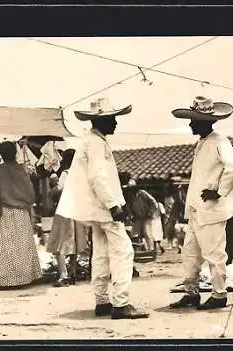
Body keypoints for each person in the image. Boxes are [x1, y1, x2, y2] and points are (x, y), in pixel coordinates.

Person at [55, 97, 149, 319]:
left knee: (101, 253)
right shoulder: (96, 143)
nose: (115, 123)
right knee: (124, 251)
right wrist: (113, 205)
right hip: (104, 208)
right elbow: (98, 177)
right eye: (112, 119)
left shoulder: (91, 141)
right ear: (103, 121)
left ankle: (102, 301)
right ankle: (121, 303)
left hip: (95, 209)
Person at [168, 96, 233, 310]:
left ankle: (219, 295)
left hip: (211, 209)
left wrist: (218, 191)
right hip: (196, 209)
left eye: (194, 120)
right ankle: (191, 293)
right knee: (190, 254)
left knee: (214, 253)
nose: (191, 124)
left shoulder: (220, 141)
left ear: (205, 122)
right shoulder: (203, 142)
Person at [0, 141, 42, 289]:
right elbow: (31, 194)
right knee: (21, 246)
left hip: (3, 212)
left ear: (1, 155)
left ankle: (3, 280)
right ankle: (23, 278)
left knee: (4, 246)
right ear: (15, 153)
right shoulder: (21, 170)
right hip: (21, 212)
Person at [46, 149, 90, 287]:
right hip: (78, 211)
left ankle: (63, 274)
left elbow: (59, 189)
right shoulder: (82, 174)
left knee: (58, 243)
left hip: (65, 210)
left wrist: (52, 186)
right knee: (74, 243)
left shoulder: (66, 173)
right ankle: (72, 272)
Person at [132, 189, 165, 255]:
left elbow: (153, 203)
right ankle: (147, 248)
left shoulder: (142, 193)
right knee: (140, 234)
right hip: (139, 217)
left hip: (146, 217)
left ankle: (151, 249)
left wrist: (149, 213)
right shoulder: (133, 195)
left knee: (148, 233)